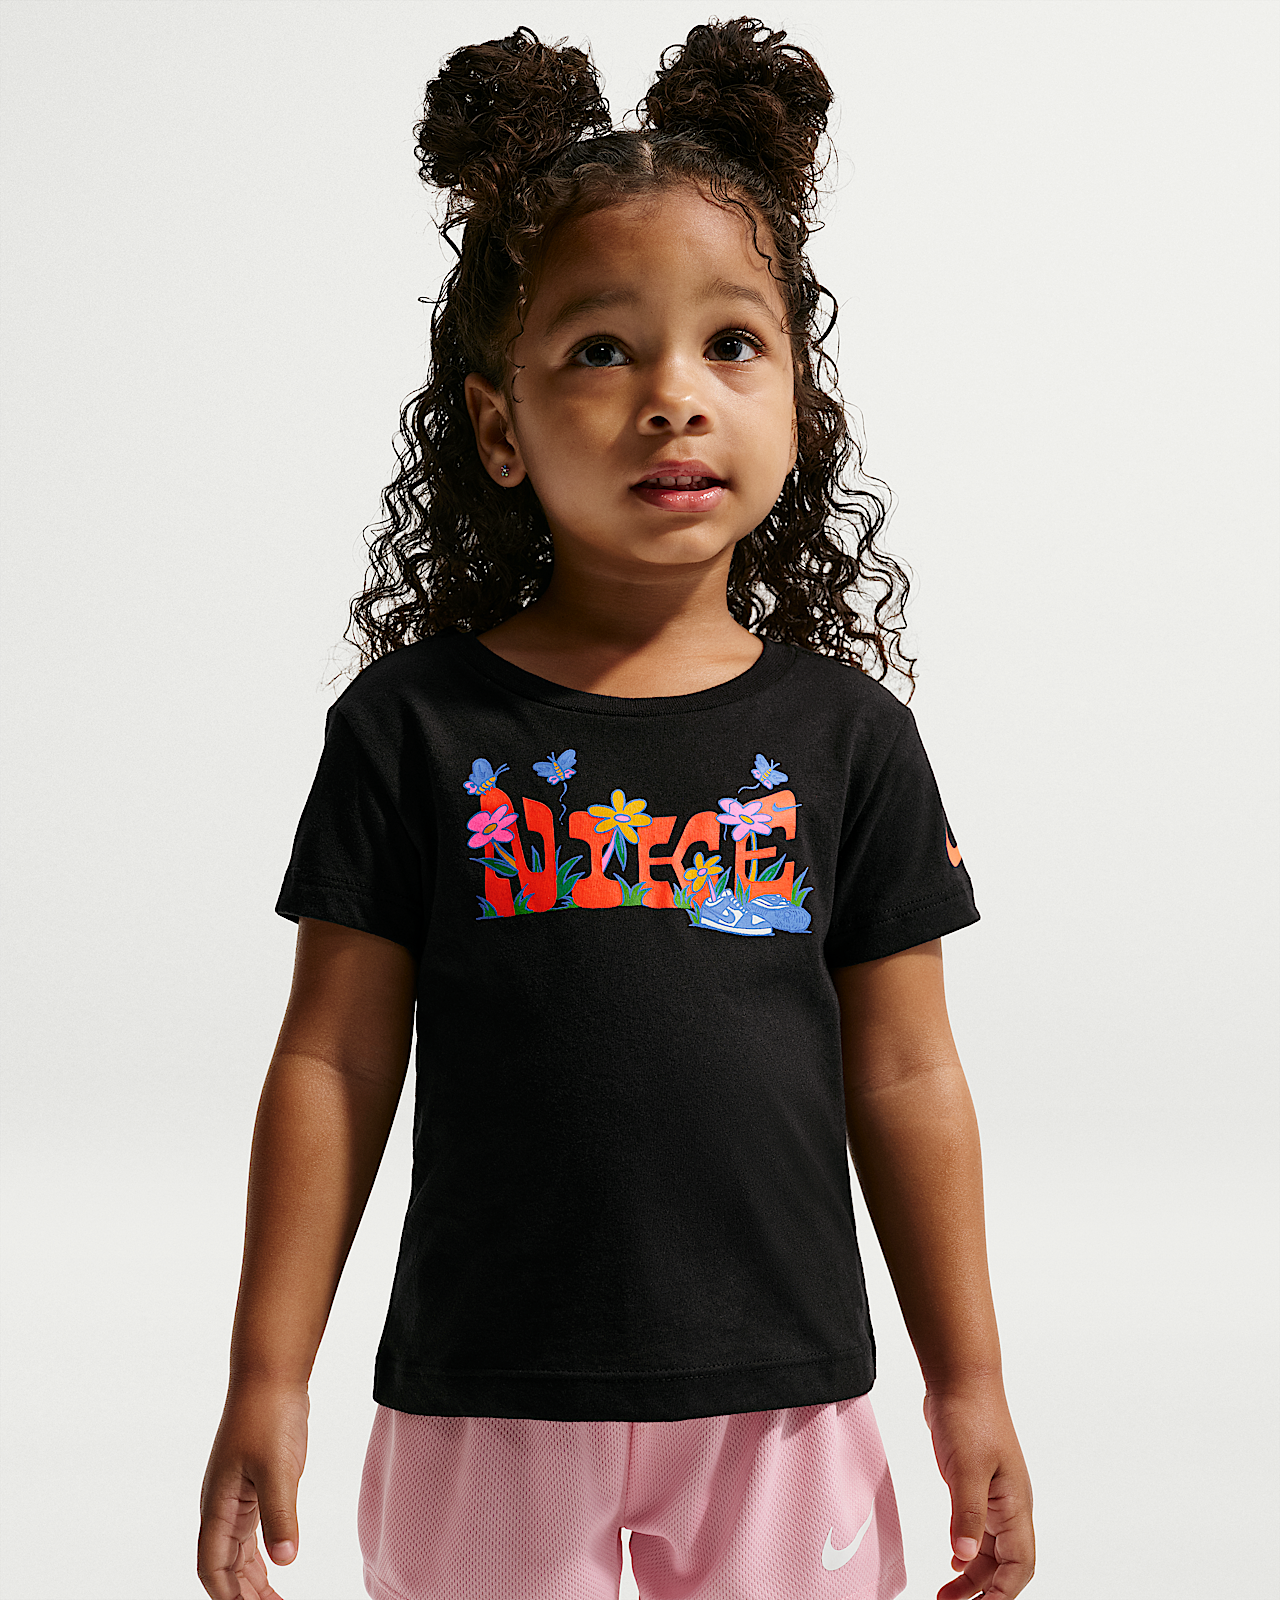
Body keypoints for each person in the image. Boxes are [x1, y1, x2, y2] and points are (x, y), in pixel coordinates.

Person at [197, 18, 1034, 1600]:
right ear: (497, 426)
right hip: (486, 1399)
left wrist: (968, 1382)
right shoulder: (412, 729)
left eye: (732, 344)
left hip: (784, 1402)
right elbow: (333, 1059)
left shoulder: (849, 739)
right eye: (599, 349)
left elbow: (910, 1072)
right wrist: (265, 1376)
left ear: (800, 400)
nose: (673, 398)